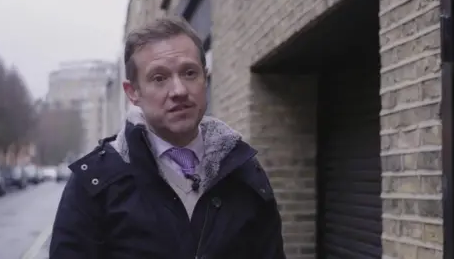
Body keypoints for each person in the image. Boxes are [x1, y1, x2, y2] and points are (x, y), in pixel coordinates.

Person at [49, 16, 285, 259]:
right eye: (159, 78)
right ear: (133, 93)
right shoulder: (95, 184)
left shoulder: (244, 171)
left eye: (189, 73)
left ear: (206, 78)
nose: (179, 91)